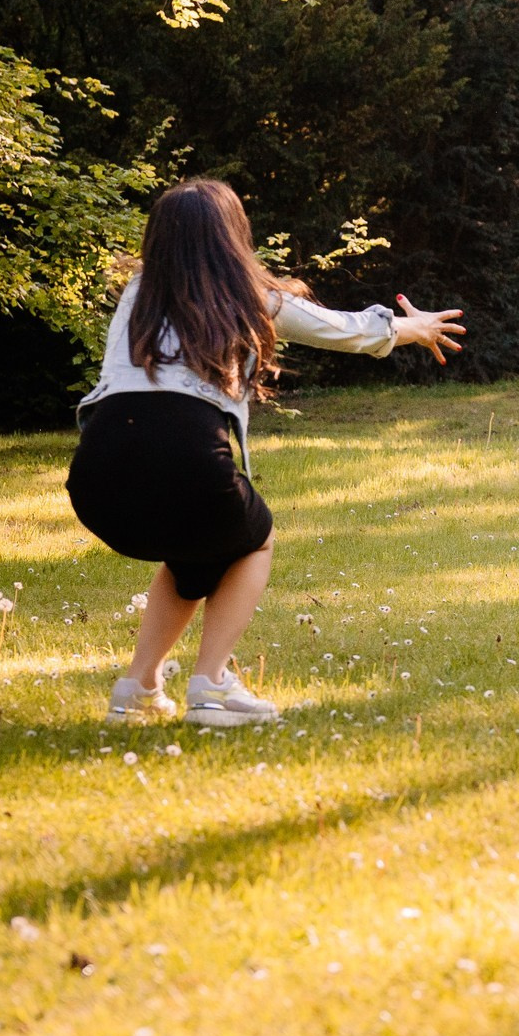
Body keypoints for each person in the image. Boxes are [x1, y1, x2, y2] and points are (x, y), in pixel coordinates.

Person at [68, 178, 465, 728]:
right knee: (255, 538)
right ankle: (210, 688)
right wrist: (411, 327)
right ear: (233, 239)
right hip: (184, 457)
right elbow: (343, 331)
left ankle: (137, 686)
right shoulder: (249, 297)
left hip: (95, 478)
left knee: (194, 556)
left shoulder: (138, 294)